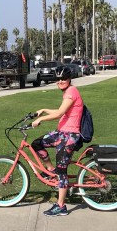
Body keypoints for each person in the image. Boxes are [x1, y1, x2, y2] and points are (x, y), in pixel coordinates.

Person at [30, 66, 85, 217]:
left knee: (62, 171)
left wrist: (41, 119)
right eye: (57, 79)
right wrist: (44, 109)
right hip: (61, 133)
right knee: (36, 144)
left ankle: (61, 206)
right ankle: (50, 170)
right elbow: (61, 110)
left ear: (69, 79)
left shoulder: (72, 91)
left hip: (69, 136)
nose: (60, 81)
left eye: (63, 79)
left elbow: (60, 113)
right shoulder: (68, 92)